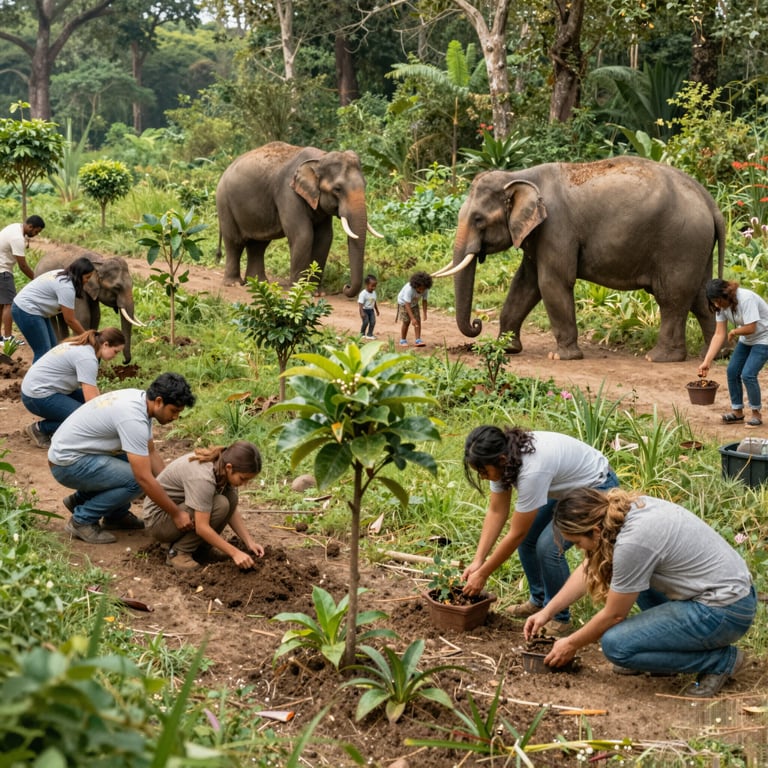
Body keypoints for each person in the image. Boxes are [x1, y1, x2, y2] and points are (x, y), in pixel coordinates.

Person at [524, 487, 756, 698]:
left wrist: (571, 643)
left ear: (595, 531)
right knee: (631, 583)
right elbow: (588, 569)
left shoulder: (632, 543)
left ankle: (719, 661)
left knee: (616, 646)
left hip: (725, 611)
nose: (578, 548)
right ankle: (658, 656)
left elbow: (614, 615)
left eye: (577, 542)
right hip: (725, 594)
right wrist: (548, 611)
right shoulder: (624, 512)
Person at [461, 425, 619, 636]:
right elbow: (497, 511)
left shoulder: (532, 470)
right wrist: (478, 561)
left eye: (483, 471)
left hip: (597, 486)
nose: (482, 477)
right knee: (529, 540)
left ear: (501, 459)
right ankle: (540, 600)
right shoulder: (504, 461)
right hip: (565, 487)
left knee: (548, 547)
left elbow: (516, 533)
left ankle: (559, 618)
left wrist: (483, 574)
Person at [48, 372, 196, 545]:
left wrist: (172, 488)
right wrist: (176, 513)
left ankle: (111, 514)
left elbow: (150, 452)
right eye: (174, 411)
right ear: (158, 401)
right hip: (67, 463)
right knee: (136, 480)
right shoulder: (133, 418)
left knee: (138, 462)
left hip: (79, 453)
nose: (175, 417)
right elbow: (143, 479)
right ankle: (82, 520)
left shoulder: (140, 401)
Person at [144, 441, 266, 571]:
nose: (244, 484)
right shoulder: (203, 477)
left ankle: (200, 549)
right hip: (158, 520)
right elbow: (202, 528)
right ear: (229, 467)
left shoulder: (221, 466)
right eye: (243, 479)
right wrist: (235, 553)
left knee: (231, 498)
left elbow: (232, 511)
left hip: (179, 511)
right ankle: (179, 552)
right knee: (220, 504)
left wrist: (249, 542)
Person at [21, 327, 125, 448]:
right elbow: (91, 400)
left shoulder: (84, 347)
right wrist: (108, 424)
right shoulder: (87, 358)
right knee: (86, 419)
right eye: (116, 352)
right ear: (106, 344)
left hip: (46, 389)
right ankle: (40, 429)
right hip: (36, 396)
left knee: (98, 406)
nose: (115, 356)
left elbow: (94, 392)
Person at [698, 278, 768, 428]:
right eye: (714, 302)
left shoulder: (746, 299)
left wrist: (735, 332)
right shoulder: (721, 307)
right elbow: (719, 334)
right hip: (747, 339)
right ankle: (737, 413)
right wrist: (707, 361)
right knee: (732, 371)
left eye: (718, 301)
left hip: (764, 337)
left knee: (748, 374)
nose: (717, 305)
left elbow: (751, 328)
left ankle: (756, 414)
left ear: (727, 294)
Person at [12, 255, 95, 362]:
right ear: (79, 275)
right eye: (87, 277)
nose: (87, 281)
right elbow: (70, 320)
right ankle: (37, 373)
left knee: (52, 349)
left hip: (36, 310)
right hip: (26, 310)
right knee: (43, 351)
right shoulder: (67, 287)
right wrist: (87, 337)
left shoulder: (63, 275)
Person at [0, 215, 45, 344]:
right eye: (36, 231)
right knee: (9, 304)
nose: (36, 235)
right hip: (3, 271)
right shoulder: (17, 238)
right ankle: (8, 338)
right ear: (30, 226)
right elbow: (23, 265)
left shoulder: (15, 227)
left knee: (1, 305)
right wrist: (37, 279)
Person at [397, 270, 432, 347]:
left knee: (418, 321)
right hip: (403, 303)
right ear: (415, 286)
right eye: (420, 289)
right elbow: (407, 304)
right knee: (406, 322)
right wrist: (412, 318)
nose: (421, 291)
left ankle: (418, 340)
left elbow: (424, 301)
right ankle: (403, 340)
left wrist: (425, 313)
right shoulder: (409, 289)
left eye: (423, 289)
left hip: (414, 304)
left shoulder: (425, 289)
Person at [358, 274, 380, 340]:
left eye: (375, 286)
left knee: (373, 322)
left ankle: (370, 334)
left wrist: (377, 310)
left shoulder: (374, 293)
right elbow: (360, 304)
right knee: (366, 322)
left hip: (371, 310)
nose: (374, 288)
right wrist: (361, 312)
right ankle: (362, 333)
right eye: (372, 286)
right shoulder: (363, 294)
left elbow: (374, 302)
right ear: (367, 285)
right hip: (365, 310)